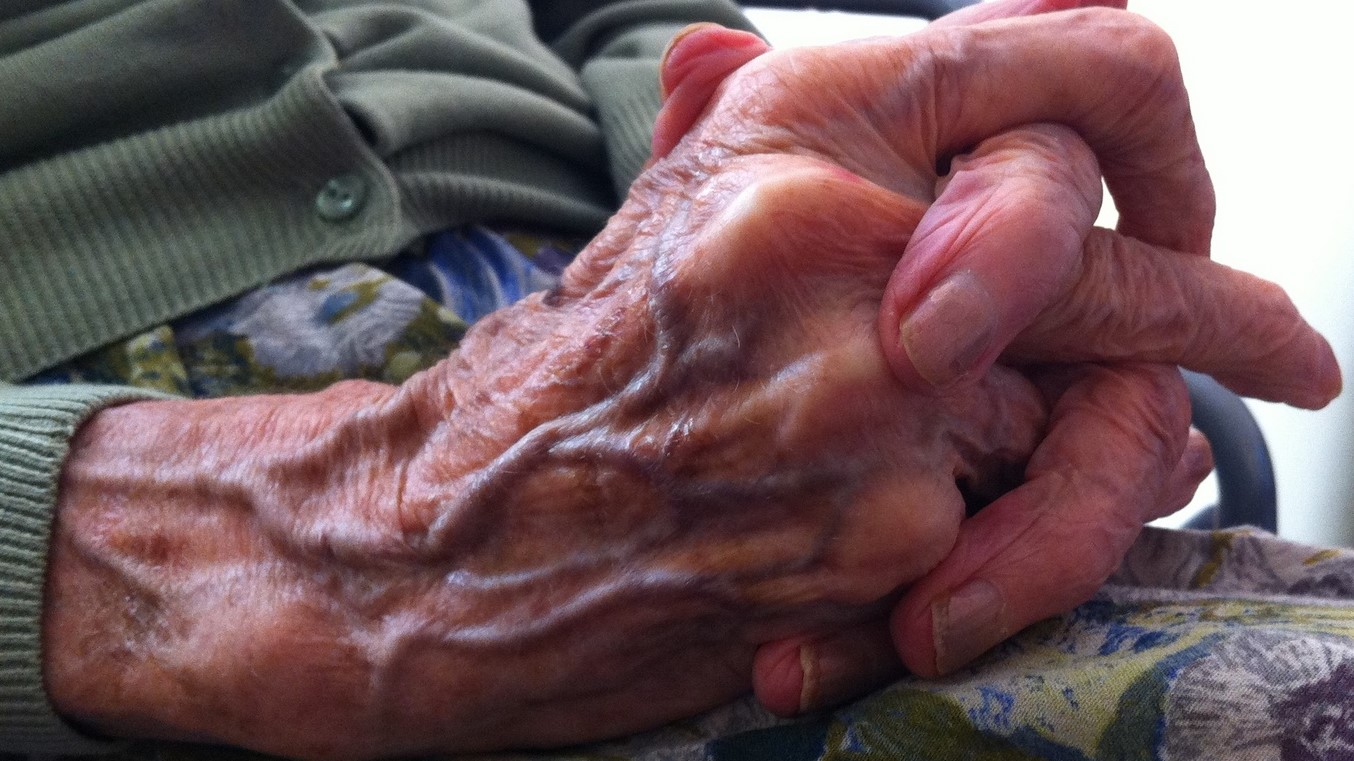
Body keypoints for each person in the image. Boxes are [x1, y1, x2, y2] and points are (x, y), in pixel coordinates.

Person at [0, 0, 1339, 758]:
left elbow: (629, 19)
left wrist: (765, 206)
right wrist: (335, 529)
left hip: (610, 289)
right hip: (108, 414)